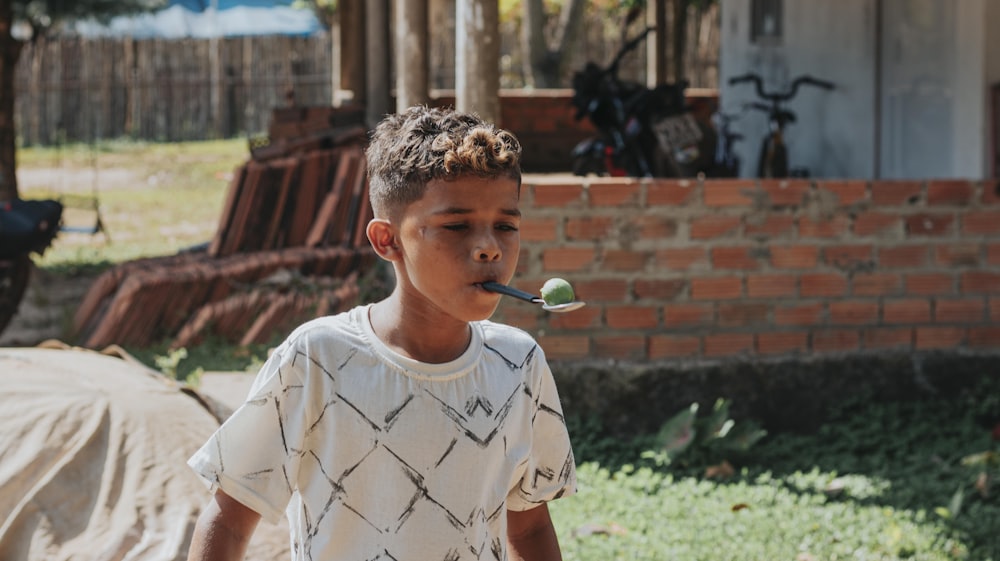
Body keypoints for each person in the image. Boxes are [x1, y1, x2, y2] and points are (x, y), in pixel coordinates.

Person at [186, 105, 577, 561]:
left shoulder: (518, 364)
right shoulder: (318, 359)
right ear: (386, 240)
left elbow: (528, 528)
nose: (489, 247)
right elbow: (230, 520)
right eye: (456, 226)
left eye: (506, 226)